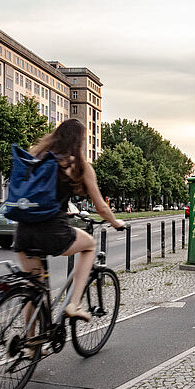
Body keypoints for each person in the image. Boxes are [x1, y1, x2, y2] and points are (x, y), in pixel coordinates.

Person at [14, 119, 125, 322]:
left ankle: (29, 345)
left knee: (33, 288)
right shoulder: (77, 165)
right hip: (52, 231)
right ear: (79, 141)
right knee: (89, 246)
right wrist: (116, 222)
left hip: (24, 230)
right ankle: (74, 303)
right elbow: (100, 206)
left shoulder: (36, 156)